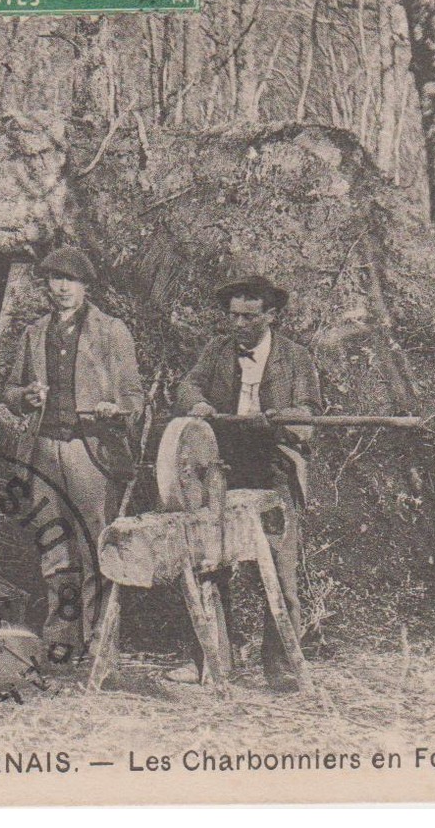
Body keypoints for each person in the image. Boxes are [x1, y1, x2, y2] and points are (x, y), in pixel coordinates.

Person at [169, 272, 324, 690]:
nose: (239, 325)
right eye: (233, 316)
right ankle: (210, 658)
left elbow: (309, 417)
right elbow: (188, 384)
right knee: (210, 564)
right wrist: (197, 403)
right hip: (223, 467)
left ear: (271, 316)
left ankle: (282, 666)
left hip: (274, 469)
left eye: (249, 317)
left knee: (279, 572)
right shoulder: (217, 351)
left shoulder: (296, 359)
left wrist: (284, 421)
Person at [1, 246, 143, 663]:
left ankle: (101, 637)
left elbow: (134, 398)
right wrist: (24, 396)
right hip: (44, 449)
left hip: (90, 451)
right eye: (53, 280)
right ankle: (61, 635)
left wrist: (115, 410)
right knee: (53, 543)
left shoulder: (111, 331)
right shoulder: (35, 332)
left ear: (85, 286)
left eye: (70, 281)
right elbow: (9, 391)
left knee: (95, 543)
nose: (61, 288)